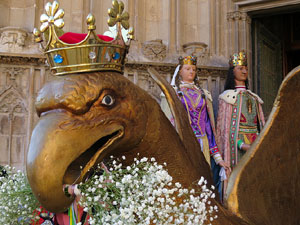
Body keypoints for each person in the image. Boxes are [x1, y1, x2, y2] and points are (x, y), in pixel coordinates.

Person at [167, 55, 231, 199]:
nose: (191, 72)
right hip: (184, 142)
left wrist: (218, 157)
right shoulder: (174, 93)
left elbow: (208, 125)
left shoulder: (203, 94)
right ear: (180, 71)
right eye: (187, 68)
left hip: (203, 142)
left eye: (194, 69)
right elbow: (171, 120)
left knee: (203, 181)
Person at [216, 51, 265, 194]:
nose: (244, 71)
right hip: (237, 148)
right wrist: (241, 145)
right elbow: (225, 131)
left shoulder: (254, 98)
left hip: (255, 145)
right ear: (233, 72)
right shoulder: (227, 98)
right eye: (240, 68)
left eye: (246, 68)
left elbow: (260, 125)